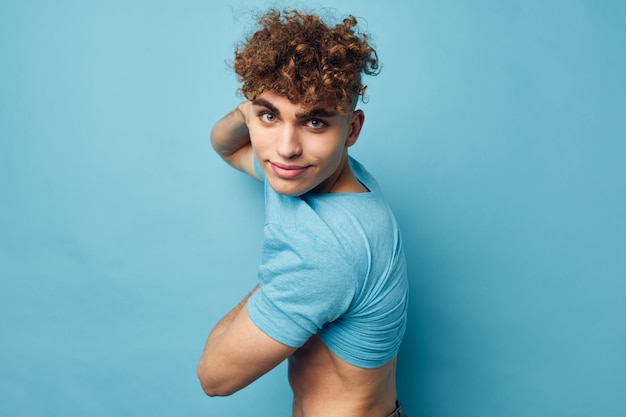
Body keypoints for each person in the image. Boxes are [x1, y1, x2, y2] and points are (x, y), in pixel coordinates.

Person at [197, 9, 409, 417]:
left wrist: (278, 281)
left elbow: (214, 377)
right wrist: (254, 108)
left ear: (352, 129)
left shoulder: (323, 254)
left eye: (314, 121)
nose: (285, 147)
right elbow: (227, 146)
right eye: (269, 117)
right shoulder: (314, 175)